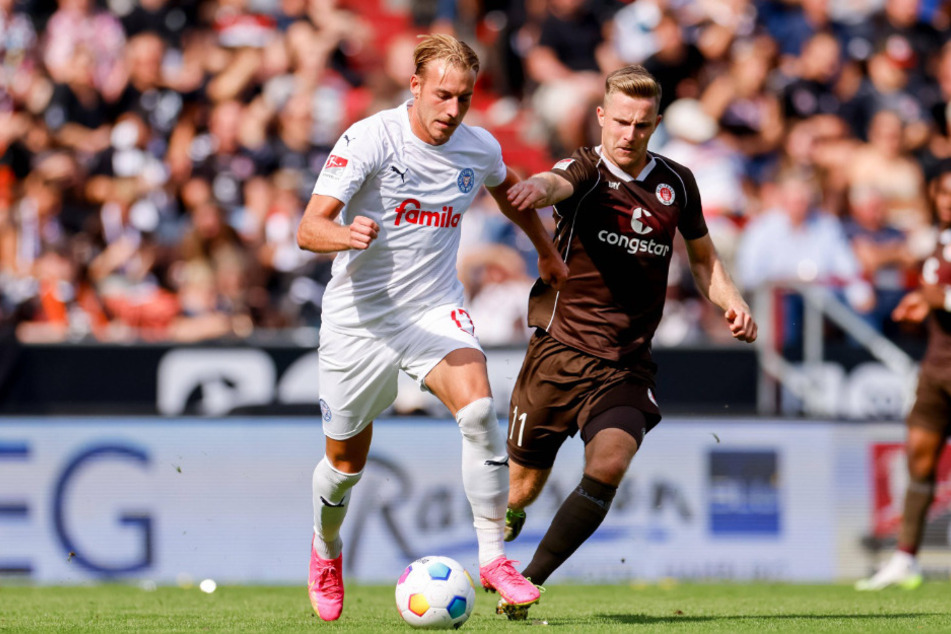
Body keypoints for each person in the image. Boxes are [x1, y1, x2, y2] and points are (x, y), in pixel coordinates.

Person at [295, 34, 568, 621]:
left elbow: (509, 190)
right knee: (344, 466)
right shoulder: (371, 137)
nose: (452, 110)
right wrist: (346, 234)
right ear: (414, 86)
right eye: (442, 95)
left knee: (477, 410)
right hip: (360, 319)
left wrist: (544, 251)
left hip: (433, 308)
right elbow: (308, 229)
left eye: (464, 99)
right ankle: (326, 549)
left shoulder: (477, 146)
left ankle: (494, 558)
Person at [497, 65, 757, 619]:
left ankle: (527, 583)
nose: (629, 134)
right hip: (560, 353)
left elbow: (704, 259)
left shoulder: (678, 182)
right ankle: (507, 525)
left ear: (656, 123)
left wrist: (731, 301)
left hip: (626, 363)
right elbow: (553, 183)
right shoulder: (586, 169)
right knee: (520, 490)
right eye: (619, 121)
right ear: (601, 117)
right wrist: (532, 188)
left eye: (641, 124)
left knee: (610, 460)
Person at [855, 160, 951, 591]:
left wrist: (936, 296)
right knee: (919, 457)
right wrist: (922, 303)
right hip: (936, 367)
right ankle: (905, 558)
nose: (949, 201)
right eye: (944, 192)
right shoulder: (938, 241)